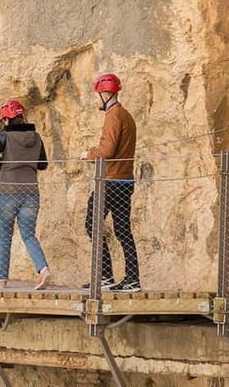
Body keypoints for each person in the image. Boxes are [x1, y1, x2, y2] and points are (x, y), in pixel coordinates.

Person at [78, 73, 140, 292]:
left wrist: (89, 154)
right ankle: (132, 279)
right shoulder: (126, 115)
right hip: (125, 180)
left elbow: (108, 150)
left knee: (91, 224)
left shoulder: (113, 116)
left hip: (111, 181)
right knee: (123, 229)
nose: (96, 100)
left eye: (97, 95)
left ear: (106, 94)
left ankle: (105, 276)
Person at [0, 100, 50, 290]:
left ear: (6, 119)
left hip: (7, 191)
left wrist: (5, 158)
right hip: (30, 191)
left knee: (4, 236)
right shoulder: (37, 137)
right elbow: (43, 164)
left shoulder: (5, 136)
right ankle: (43, 269)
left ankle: (2, 278)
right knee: (28, 234)